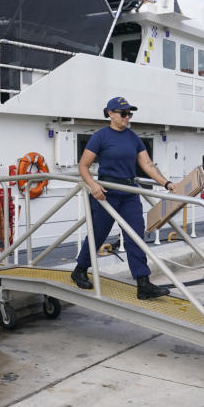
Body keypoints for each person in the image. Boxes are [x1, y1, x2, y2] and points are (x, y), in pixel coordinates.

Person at [72, 96, 177, 300]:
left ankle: (143, 283)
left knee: (135, 235)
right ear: (110, 113)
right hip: (107, 193)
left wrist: (166, 183)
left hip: (130, 192)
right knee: (98, 234)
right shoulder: (101, 137)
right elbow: (83, 166)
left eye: (129, 114)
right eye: (123, 114)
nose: (127, 117)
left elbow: (147, 165)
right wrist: (93, 185)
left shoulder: (133, 138)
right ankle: (80, 269)